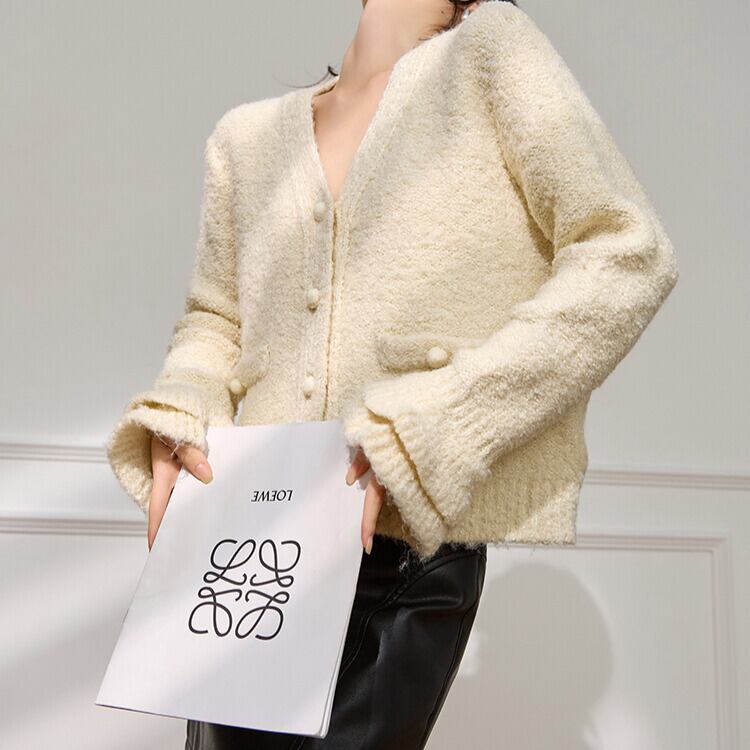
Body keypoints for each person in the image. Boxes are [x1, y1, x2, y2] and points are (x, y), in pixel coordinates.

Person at [106, 0, 679, 747]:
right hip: (250, 540)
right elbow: (216, 320)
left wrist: (434, 426)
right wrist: (182, 412)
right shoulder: (246, 138)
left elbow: (628, 254)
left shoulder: (490, 54)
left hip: (401, 549)